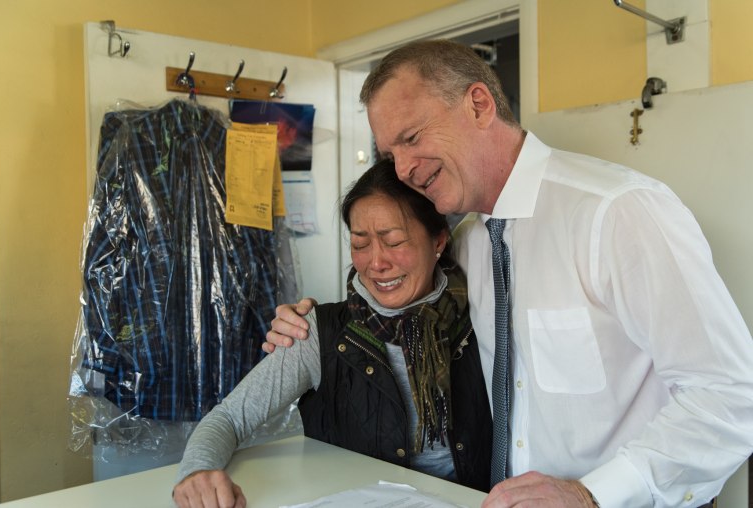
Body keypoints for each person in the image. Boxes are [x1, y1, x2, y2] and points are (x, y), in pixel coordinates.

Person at [265, 40, 753, 508]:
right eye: (391, 155)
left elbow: (731, 399)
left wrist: (594, 494)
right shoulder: (468, 243)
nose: (406, 170)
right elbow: (396, 296)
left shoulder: (618, 213)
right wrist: (308, 323)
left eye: (412, 139)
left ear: (479, 104)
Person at [172, 160, 492, 508]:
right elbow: (229, 418)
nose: (376, 263)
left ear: (439, 241)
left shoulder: (483, 320)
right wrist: (196, 473)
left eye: (394, 241)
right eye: (360, 243)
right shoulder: (317, 332)